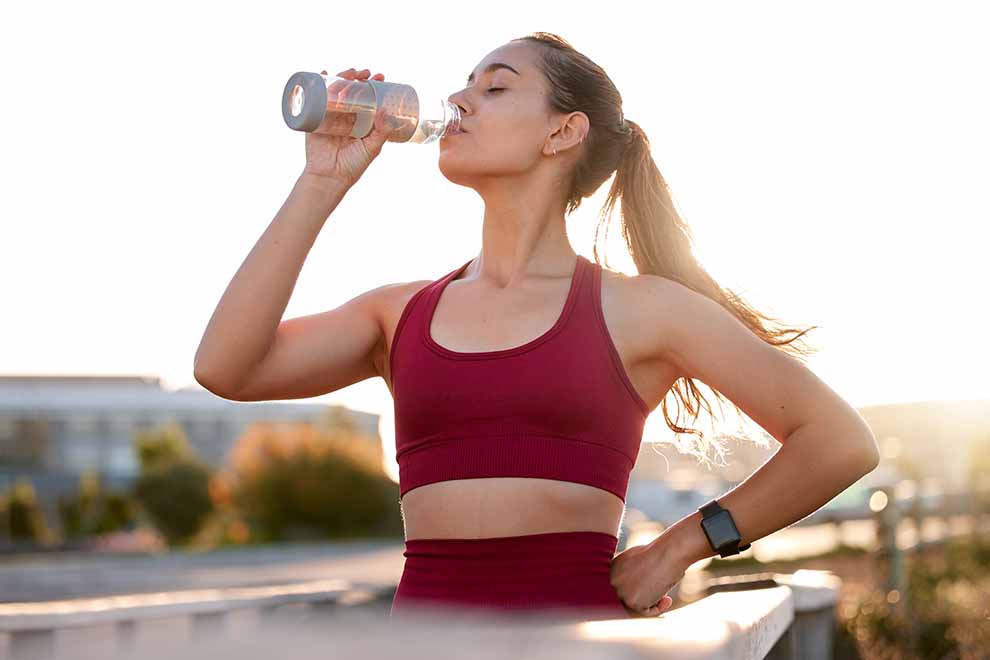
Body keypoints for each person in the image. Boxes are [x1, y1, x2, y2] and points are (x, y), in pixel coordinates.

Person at [194, 32, 880, 623]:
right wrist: (322, 180)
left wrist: (677, 549)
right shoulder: (398, 314)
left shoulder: (645, 311)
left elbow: (839, 442)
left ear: (563, 131)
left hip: (582, 647)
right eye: (464, 86)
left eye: (494, 88)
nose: (459, 102)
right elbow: (227, 368)